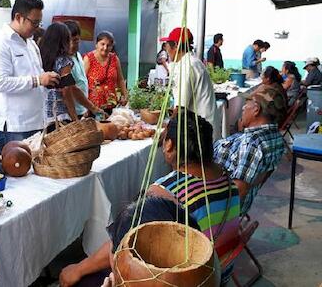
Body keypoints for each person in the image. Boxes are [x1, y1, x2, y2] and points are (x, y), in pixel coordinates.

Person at [59, 111, 239, 286]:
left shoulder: (166, 191)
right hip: (220, 268)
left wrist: (78, 269)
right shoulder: (226, 177)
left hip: (194, 278)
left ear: (169, 145)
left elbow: (123, 245)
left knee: (85, 278)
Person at [0, 0, 59, 153]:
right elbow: (0, 83)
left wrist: (47, 78)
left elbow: (37, 76)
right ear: (18, 17)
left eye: (39, 22)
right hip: (14, 126)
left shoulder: (31, 44)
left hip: (37, 122)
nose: (37, 27)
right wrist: (38, 80)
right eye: (34, 22)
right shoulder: (0, 43)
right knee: (17, 176)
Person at [214, 85, 287, 215]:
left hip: (217, 207)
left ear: (256, 110)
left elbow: (239, 191)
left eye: (246, 103)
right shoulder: (275, 138)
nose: (243, 107)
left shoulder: (253, 144)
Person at [39, 21, 104, 130]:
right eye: (68, 39)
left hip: (46, 116)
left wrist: (93, 108)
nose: (71, 44)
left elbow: (72, 87)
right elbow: (67, 91)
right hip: (61, 117)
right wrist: (75, 120)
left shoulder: (43, 58)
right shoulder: (64, 61)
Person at [160, 27, 217, 132]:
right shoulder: (191, 61)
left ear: (176, 45)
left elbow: (181, 108)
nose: (166, 49)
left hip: (200, 129)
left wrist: (166, 132)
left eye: (167, 45)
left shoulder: (186, 66)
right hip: (201, 124)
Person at [64, 20, 103, 119]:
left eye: (76, 40)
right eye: (69, 41)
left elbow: (81, 81)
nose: (72, 45)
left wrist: (85, 109)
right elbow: (71, 89)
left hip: (81, 109)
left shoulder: (78, 55)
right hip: (70, 114)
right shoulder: (64, 61)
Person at [83, 31, 128, 114]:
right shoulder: (89, 58)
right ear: (96, 44)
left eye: (108, 45)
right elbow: (82, 82)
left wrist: (125, 96)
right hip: (93, 107)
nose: (105, 48)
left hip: (111, 105)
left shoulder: (114, 59)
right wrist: (83, 106)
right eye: (102, 44)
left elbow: (120, 79)